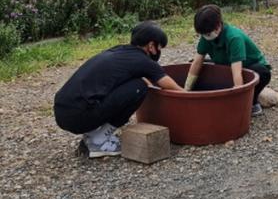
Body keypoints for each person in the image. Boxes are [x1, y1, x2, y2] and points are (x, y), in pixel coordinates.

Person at [54, 22, 182, 158]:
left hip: (63, 112)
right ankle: (99, 140)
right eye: (159, 47)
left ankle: (92, 135)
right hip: (79, 117)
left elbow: (141, 77)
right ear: (151, 46)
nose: (159, 51)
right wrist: (187, 93)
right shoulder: (143, 60)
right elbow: (166, 83)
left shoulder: (120, 51)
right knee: (139, 88)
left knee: (135, 83)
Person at [187, 5, 271, 115]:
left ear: (218, 26)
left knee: (261, 73)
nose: (205, 37)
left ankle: (252, 102)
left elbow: (236, 72)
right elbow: (197, 62)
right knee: (199, 65)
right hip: (226, 63)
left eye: (207, 34)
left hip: (247, 66)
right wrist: (186, 89)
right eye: (202, 34)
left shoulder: (234, 38)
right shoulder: (206, 37)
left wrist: (239, 101)